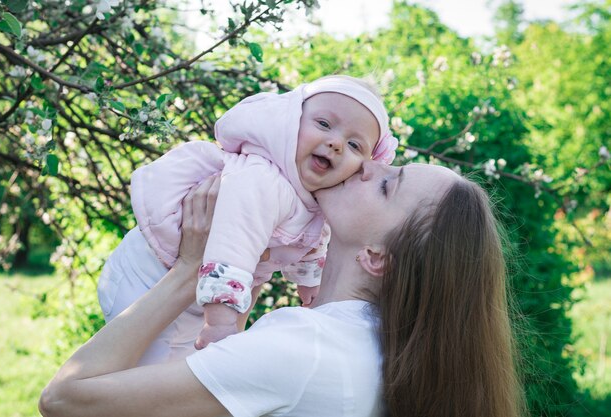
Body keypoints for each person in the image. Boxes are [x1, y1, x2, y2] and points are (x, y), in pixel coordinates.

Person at [39, 160, 525, 417]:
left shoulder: (304, 347)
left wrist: (190, 270)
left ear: (377, 257)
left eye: (386, 186)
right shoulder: (373, 347)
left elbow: (65, 401)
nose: (368, 165)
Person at [97, 75, 398, 358]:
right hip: (149, 278)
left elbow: (313, 245)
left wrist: (311, 289)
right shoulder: (263, 180)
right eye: (323, 123)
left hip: (194, 296)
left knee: (180, 376)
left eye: (354, 144)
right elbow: (233, 246)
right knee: (159, 379)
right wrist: (221, 325)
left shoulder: (315, 203)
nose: (336, 143)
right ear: (291, 121)